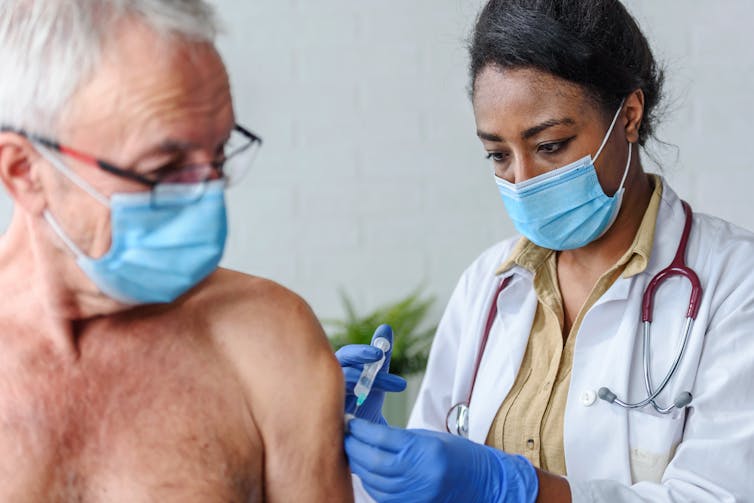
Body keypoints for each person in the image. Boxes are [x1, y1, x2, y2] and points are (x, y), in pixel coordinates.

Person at [338, 0, 754, 501]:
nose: (522, 179)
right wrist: (371, 453)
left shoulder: (735, 281)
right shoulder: (487, 285)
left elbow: (719, 493)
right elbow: (433, 475)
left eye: (551, 145)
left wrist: (519, 490)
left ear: (628, 116)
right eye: (498, 154)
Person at [0, 1, 352, 501]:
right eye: (163, 170)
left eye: (218, 153)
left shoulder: (270, 344)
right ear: (24, 171)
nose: (207, 194)